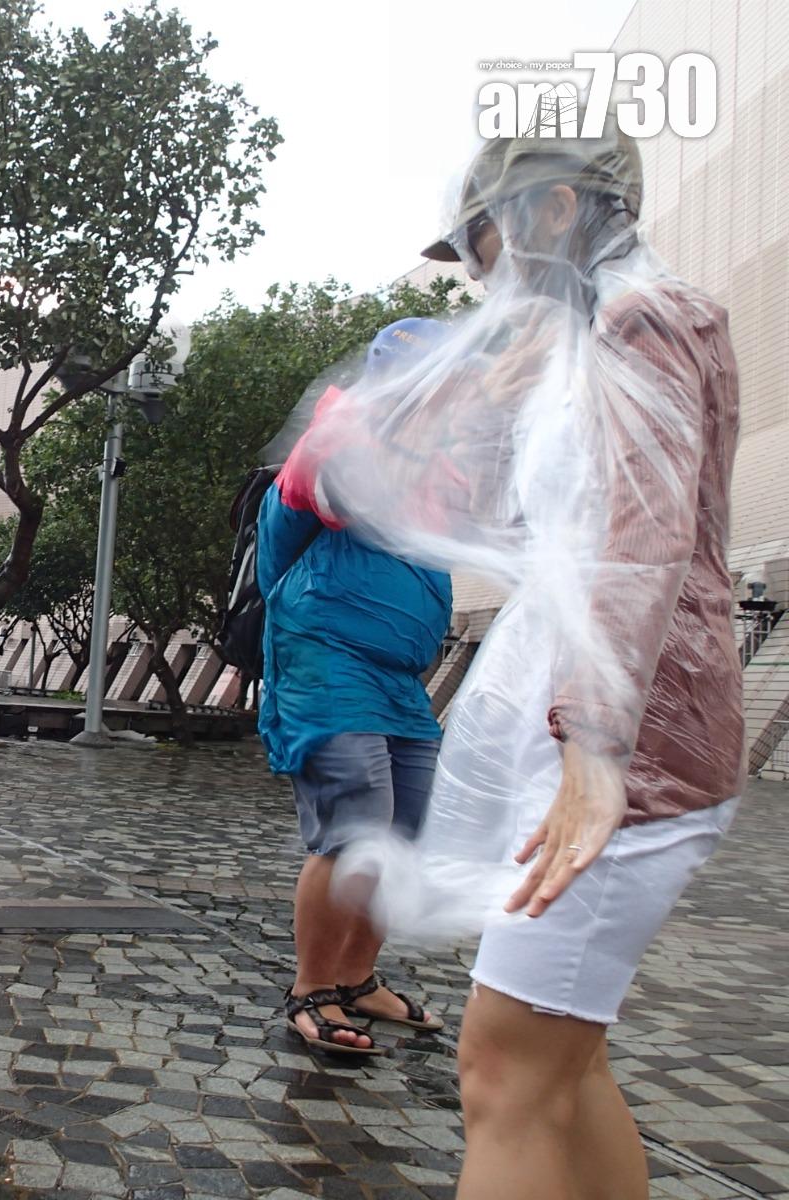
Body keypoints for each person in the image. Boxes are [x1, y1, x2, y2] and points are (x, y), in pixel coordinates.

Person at [314, 131, 742, 1200]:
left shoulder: (643, 321)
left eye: (480, 237)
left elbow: (640, 541)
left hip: (621, 757)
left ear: (551, 212)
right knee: (561, 1067)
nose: (476, 269)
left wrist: (597, 752)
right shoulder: (598, 332)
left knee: (501, 1071)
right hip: (593, 742)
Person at [259, 319, 454, 1056]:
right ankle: (312, 987)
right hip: (326, 660)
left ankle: (357, 976)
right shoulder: (342, 437)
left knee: (403, 830)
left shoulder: (440, 462)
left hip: (399, 675)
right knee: (356, 823)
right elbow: (305, 507)